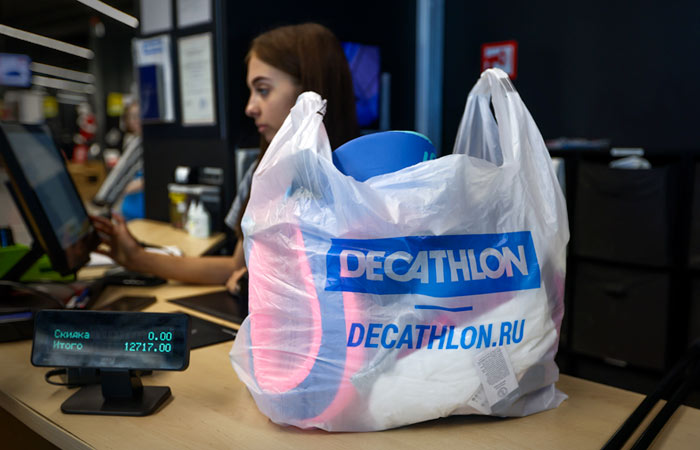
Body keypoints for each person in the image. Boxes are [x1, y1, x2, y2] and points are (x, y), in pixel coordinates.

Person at [92, 23, 359, 293]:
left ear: (309, 93)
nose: (250, 107)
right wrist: (137, 258)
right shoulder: (261, 171)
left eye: (263, 90)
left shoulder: (365, 181)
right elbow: (236, 266)